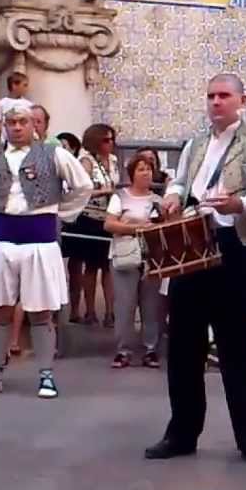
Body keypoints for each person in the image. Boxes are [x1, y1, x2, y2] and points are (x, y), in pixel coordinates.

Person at [144, 74, 246, 467]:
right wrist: (172, 198)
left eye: (224, 96)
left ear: (242, 100)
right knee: (184, 345)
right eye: (210, 96)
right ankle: (182, 433)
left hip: (236, 247)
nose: (216, 102)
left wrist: (237, 206)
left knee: (237, 346)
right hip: (193, 244)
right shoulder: (195, 144)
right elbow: (181, 182)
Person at [0, 104, 92, 399]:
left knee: (41, 312)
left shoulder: (54, 154)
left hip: (40, 242)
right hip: (2, 241)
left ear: (34, 125)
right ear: (4, 126)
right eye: (12, 122)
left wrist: (61, 211)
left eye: (23, 122)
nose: (17, 127)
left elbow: (83, 186)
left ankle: (46, 375)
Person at [103, 153, 164, 369]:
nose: (146, 172)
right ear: (132, 174)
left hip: (151, 259)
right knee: (125, 305)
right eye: (141, 169)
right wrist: (136, 227)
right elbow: (109, 224)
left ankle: (150, 349)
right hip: (124, 257)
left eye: (148, 168)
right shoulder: (120, 197)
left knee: (151, 306)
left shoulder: (158, 200)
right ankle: (123, 350)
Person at [72, 123, 119, 327]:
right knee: (91, 266)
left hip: (108, 216)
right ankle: (89, 310)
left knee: (109, 266)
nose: (111, 144)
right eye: (106, 140)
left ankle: (110, 312)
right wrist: (103, 192)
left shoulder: (114, 161)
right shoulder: (86, 161)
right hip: (90, 216)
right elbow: (80, 190)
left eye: (112, 139)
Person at [0, 71, 34, 139]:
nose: (26, 88)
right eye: (24, 85)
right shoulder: (2, 103)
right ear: (14, 85)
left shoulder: (29, 104)